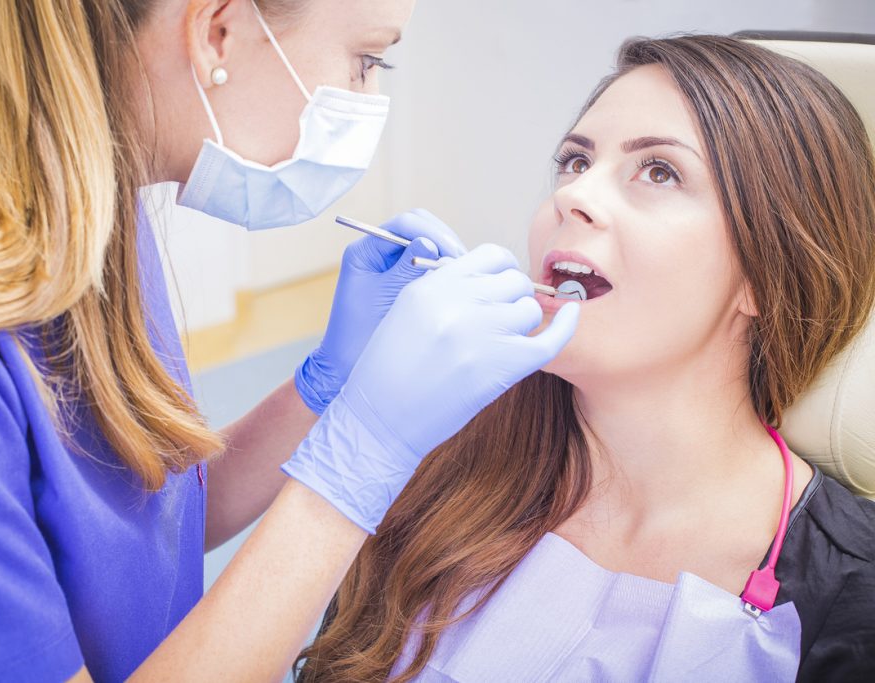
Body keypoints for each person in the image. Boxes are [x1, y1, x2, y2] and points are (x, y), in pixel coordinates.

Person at [0, 1, 580, 681]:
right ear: (218, 34)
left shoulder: (85, 179)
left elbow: (143, 529)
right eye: (366, 61)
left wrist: (326, 384)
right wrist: (358, 463)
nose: (578, 199)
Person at [297, 35, 875, 682]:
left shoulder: (856, 593)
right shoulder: (438, 458)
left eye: (659, 171)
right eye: (575, 162)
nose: (572, 196)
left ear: (765, 277)